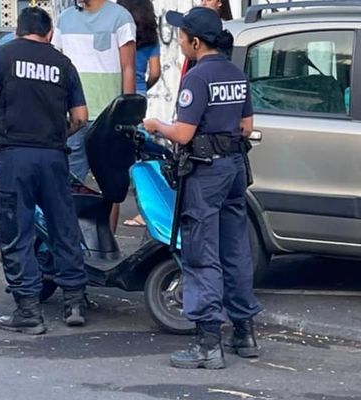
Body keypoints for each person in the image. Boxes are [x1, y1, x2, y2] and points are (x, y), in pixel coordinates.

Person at [143, 7, 262, 369]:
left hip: (206, 173)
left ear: (196, 42)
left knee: (200, 254)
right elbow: (246, 126)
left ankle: (208, 342)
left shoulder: (198, 77)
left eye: (181, 38)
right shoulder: (235, 73)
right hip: (234, 169)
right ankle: (244, 332)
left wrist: (156, 124)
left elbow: (182, 133)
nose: (179, 42)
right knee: (235, 249)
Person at [0, 7, 89, 334]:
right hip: (54, 156)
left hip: (16, 156)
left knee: (17, 231)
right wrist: (58, 135)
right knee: (64, 226)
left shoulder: (3, 55)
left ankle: (28, 310)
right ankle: (75, 300)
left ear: (19, 31)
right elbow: (80, 117)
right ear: (49, 34)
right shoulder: (63, 64)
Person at [52, 0, 136, 232]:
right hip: (72, 117)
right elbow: (56, 66)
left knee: (111, 186)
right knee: (70, 184)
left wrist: (127, 114)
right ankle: (73, 245)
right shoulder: (65, 19)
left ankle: (106, 245)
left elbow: (129, 67)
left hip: (110, 118)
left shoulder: (121, 17)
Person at [117, 0, 160, 228]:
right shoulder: (151, 38)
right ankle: (145, 210)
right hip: (139, 98)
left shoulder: (119, 32)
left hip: (120, 94)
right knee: (139, 151)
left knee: (116, 154)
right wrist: (143, 87)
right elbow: (155, 71)